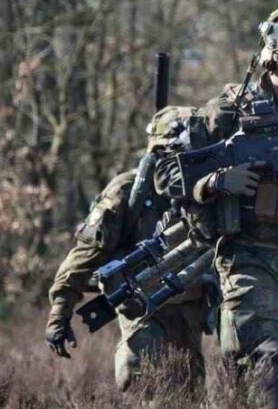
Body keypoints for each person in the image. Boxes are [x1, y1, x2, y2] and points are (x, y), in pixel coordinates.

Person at [154, 5, 278, 409]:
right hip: (250, 257)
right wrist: (216, 183)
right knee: (263, 360)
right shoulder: (229, 112)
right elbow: (167, 172)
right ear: (272, 60)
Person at [45, 105, 214, 392]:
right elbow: (86, 254)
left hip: (190, 308)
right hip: (141, 305)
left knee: (188, 392)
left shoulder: (206, 191)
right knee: (141, 378)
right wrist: (59, 312)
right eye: (170, 154)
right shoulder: (127, 192)